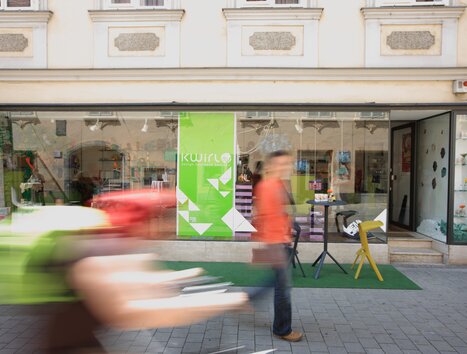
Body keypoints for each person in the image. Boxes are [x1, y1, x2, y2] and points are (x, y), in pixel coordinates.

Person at [253, 150, 303, 342]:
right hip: (275, 243)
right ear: (271, 166)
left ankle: (247, 300)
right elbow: (264, 217)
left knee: (276, 284)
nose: (285, 167)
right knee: (283, 289)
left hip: (281, 240)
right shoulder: (266, 187)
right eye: (281, 164)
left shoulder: (279, 184)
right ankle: (283, 329)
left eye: (287, 163)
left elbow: (280, 212)